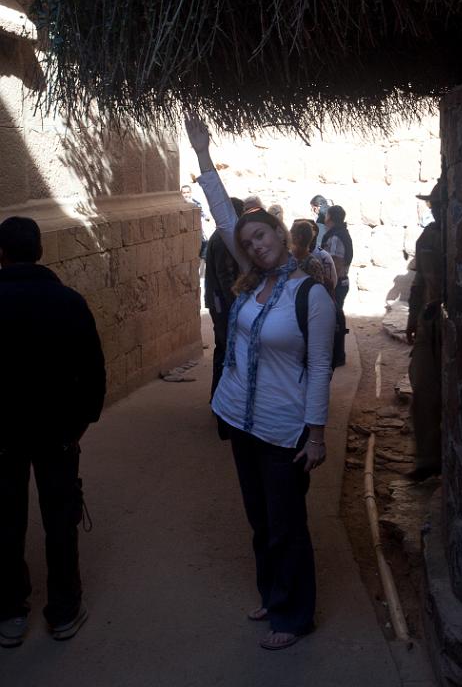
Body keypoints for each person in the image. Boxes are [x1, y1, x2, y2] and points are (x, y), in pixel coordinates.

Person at [185, 115, 335, 651]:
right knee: (259, 519)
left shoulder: (308, 296)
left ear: (280, 234)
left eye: (263, 234)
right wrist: (203, 156)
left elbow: (319, 367)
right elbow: (224, 216)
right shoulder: (251, 285)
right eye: (247, 240)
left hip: (283, 427)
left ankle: (295, 616)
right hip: (239, 421)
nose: (256, 243)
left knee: (286, 524)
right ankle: (273, 596)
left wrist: (315, 434)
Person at [0, 217, 106, 647]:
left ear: (1, 253)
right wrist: (79, 424)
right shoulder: (68, 301)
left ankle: (9, 612)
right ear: (40, 251)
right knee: (60, 519)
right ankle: (63, 611)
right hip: (59, 432)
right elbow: (93, 373)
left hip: (2, 435)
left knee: (4, 521)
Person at [406, 182, 443, 481]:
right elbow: (420, 280)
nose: (434, 208)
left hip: (438, 322)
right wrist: (412, 317)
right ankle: (428, 457)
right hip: (430, 322)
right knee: (424, 386)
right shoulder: (427, 238)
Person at [204, 196, 244, 404]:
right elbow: (225, 277)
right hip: (222, 304)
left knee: (223, 348)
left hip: (220, 302)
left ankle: (218, 399)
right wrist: (236, 304)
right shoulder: (223, 239)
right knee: (225, 349)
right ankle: (221, 400)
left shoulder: (223, 235)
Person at [321, 205, 353, 366]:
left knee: (334, 321)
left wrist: (329, 286)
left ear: (330, 217)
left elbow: (335, 264)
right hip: (339, 283)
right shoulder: (339, 233)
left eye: (326, 215)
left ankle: (337, 356)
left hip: (336, 284)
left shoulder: (335, 237)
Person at [290, 219, 327, 286]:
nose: (289, 235)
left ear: (299, 237)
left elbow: (317, 290)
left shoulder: (312, 265)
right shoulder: (290, 257)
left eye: (291, 233)